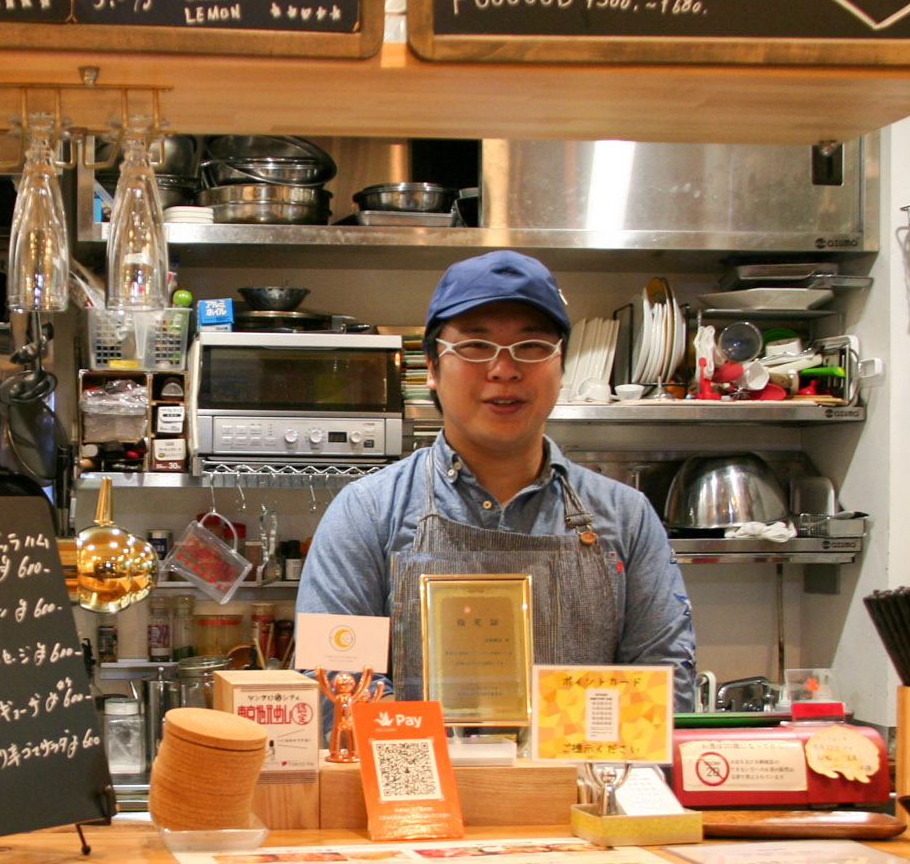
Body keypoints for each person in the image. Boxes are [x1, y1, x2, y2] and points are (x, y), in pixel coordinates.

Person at [297, 250, 698, 711]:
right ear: (431, 366)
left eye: (531, 347)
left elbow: (663, 690)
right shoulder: (368, 513)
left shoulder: (625, 518)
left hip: (583, 782)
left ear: (561, 364)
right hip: (418, 782)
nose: (504, 369)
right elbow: (337, 689)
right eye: (475, 346)